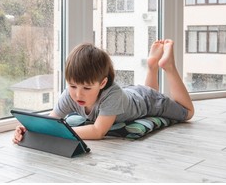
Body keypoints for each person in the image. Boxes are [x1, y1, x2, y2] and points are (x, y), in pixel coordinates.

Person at [12, 39, 194, 143]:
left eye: (86, 88)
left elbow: (98, 131)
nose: (78, 94)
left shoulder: (111, 93)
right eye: (73, 85)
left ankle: (168, 66)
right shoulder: (70, 94)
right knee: (146, 91)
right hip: (132, 95)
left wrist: (62, 131)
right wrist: (27, 129)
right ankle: (152, 66)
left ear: (102, 83)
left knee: (187, 113)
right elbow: (52, 120)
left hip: (148, 100)